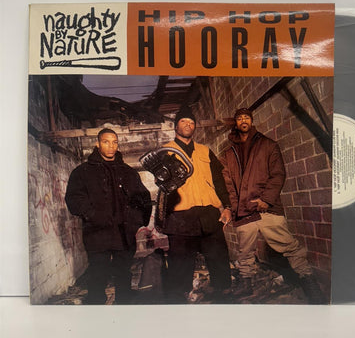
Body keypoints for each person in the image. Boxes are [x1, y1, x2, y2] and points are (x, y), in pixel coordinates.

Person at [221, 108, 325, 304]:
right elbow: (228, 184)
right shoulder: (228, 153)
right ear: (236, 123)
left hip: (267, 209)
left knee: (290, 247)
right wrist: (234, 206)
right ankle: (246, 283)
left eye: (246, 117)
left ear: (251, 121)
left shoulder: (268, 145)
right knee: (244, 252)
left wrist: (266, 200)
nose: (243, 121)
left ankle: (309, 283)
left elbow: (278, 174)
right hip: (243, 212)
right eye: (240, 118)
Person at [65, 128, 152, 304]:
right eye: (106, 142)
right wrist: (92, 215)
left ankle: (124, 301)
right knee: (98, 270)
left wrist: (136, 222)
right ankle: (96, 302)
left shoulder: (128, 172)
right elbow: (74, 198)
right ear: (97, 144)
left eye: (114, 142)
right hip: (97, 232)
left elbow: (143, 197)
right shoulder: (82, 172)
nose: (111, 146)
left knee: (124, 269)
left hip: (124, 232)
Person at [157, 105, 232, 303]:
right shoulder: (166, 152)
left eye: (191, 122)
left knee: (218, 257)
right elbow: (162, 187)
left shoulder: (205, 151)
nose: (188, 125)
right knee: (179, 263)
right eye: (183, 121)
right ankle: (179, 299)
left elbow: (219, 181)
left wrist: (227, 207)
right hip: (180, 216)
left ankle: (224, 294)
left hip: (208, 214)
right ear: (176, 126)